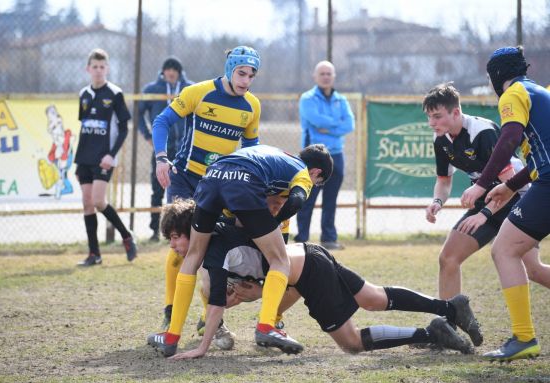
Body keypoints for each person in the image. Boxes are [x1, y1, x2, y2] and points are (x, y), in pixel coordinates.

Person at [153, 198, 479, 360]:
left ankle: (431, 332)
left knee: (351, 344)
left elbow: (215, 307)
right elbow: (258, 273)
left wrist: (202, 348)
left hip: (308, 271)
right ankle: (450, 308)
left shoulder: (213, 252)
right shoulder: (222, 231)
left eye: (175, 237)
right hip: (308, 253)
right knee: (374, 298)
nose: (173, 245)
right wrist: (255, 290)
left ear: (191, 232)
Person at [148, 144, 334, 357]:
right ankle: (267, 326)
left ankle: (171, 337)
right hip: (242, 181)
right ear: (316, 173)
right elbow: (297, 200)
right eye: (316, 183)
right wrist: (269, 224)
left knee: (193, 256)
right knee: (281, 261)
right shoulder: (301, 171)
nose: (313, 184)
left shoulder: (271, 153)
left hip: (213, 174)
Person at [149, 46, 262, 330]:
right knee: (182, 245)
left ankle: (208, 318)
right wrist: (161, 158)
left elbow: (251, 152)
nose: (246, 80)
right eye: (241, 73)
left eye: (251, 75)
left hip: (218, 185)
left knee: (212, 250)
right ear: (229, 70)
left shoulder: (252, 106)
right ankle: (170, 309)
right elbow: (162, 121)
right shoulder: (198, 92)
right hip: (185, 178)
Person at [460, 46, 550, 361]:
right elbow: (540, 155)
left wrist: (483, 184)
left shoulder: (513, 94)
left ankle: (524, 337)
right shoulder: (540, 92)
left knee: (504, 250)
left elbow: (509, 138)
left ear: (497, 75)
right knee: (527, 261)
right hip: (543, 179)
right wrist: (509, 186)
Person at [422, 83, 550, 302]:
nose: (431, 123)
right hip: (487, 201)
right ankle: (449, 326)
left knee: (534, 271)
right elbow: (444, 180)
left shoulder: (483, 132)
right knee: (448, 259)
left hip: (516, 197)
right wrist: (437, 201)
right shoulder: (440, 139)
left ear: (456, 112)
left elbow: (508, 185)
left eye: (437, 116)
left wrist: (484, 215)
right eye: (429, 117)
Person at [74, 48, 137, 267]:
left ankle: (126, 235)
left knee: (99, 201)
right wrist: (79, 158)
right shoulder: (84, 94)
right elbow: (86, 125)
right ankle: (94, 254)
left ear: (107, 69)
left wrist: (111, 154)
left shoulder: (114, 94)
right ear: (88, 69)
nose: (98, 71)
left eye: (102, 67)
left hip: (104, 157)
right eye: (95, 67)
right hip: (84, 157)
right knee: (86, 203)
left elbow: (123, 129)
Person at [294, 61, 355, 250]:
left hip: (336, 155)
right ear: (315, 76)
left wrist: (327, 128)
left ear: (334, 76)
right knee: (307, 198)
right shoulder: (307, 99)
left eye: (329, 73)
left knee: (331, 200)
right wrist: (337, 125)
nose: (326, 76)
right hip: (313, 157)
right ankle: (302, 239)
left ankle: (328, 238)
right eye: (322, 73)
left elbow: (350, 125)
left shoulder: (341, 100)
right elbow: (315, 120)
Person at [138, 56, 193, 242]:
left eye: (174, 69)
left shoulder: (189, 89)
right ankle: (155, 230)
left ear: (179, 72)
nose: (171, 72)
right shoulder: (152, 90)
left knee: (185, 193)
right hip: (161, 149)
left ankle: (184, 231)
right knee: (157, 189)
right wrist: (147, 136)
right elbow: (138, 114)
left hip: (185, 150)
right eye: (167, 69)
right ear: (163, 71)